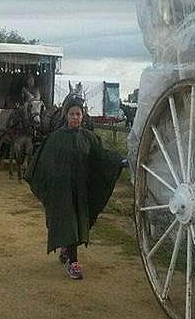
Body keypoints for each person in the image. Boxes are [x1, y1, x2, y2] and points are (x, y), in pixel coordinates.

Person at [27, 95, 128, 280]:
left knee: (78, 223)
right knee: (69, 223)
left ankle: (66, 250)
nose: (75, 117)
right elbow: (42, 163)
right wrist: (50, 185)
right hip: (62, 191)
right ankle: (73, 262)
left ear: (83, 116)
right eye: (72, 114)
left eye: (78, 114)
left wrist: (120, 161)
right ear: (66, 115)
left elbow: (102, 157)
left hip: (80, 190)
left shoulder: (88, 138)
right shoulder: (55, 139)